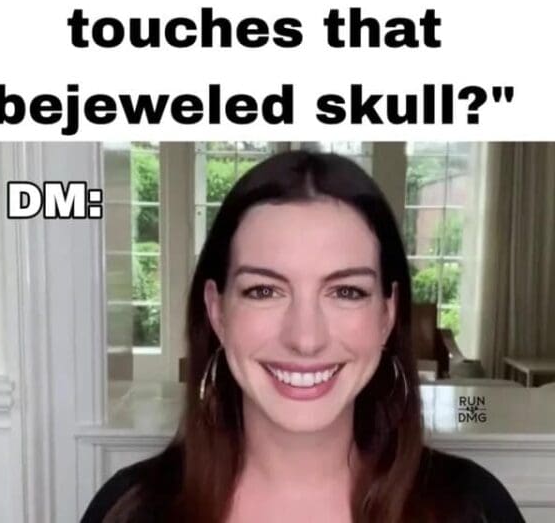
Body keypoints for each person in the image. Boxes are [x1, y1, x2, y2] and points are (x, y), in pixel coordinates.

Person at [81, 151, 525, 523]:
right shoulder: (129, 511)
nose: (305, 338)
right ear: (217, 312)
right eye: (264, 291)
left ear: (387, 315)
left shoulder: (475, 509)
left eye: (347, 292)